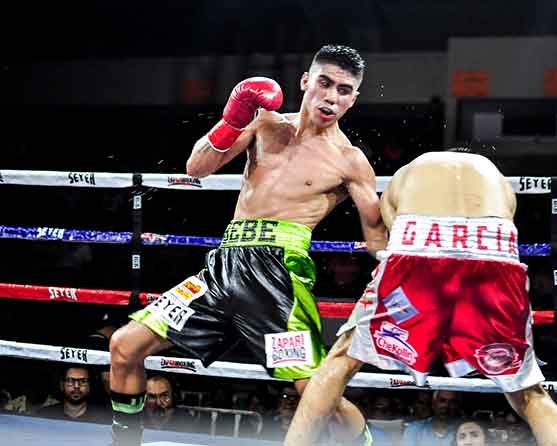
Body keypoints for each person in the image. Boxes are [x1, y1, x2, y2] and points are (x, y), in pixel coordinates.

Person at [108, 44, 387, 445]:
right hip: (223, 267)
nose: (331, 97)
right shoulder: (264, 124)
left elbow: (376, 235)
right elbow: (196, 168)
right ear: (306, 82)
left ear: (353, 100)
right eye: (324, 83)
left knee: (315, 392)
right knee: (124, 346)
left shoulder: (350, 160)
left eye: (343, 90)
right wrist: (233, 116)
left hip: (279, 280)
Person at [284, 149, 557, 446]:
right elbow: (492, 235)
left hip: (419, 241)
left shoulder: (410, 171)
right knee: (528, 392)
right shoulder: (495, 179)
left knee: (341, 360)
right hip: (492, 245)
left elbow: (384, 244)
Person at [36, 366, 110, 424]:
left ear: (89, 386)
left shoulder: (104, 419)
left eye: (83, 381)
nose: (76, 386)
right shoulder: (45, 416)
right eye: (70, 381)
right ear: (62, 385)